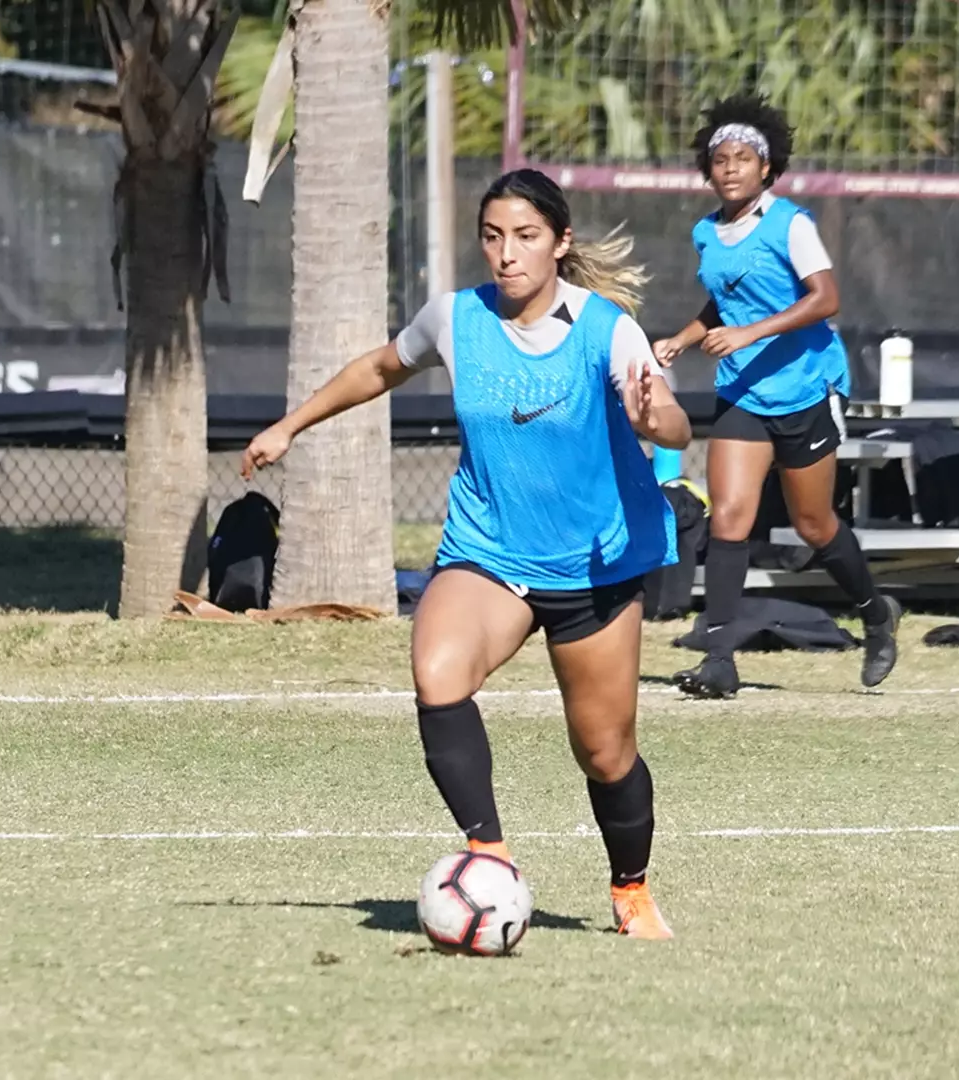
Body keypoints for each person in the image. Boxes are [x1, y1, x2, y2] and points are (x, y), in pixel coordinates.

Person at [241, 169, 690, 941]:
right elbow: (381, 367)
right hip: (490, 550)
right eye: (493, 237)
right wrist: (292, 424)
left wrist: (658, 421)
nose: (506, 254)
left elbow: (675, 423)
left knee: (605, 750)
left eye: (525, 237)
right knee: (437, 671)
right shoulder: (455, 318)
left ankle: (631, 889)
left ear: (560, 242)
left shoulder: (603, 329)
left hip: (596, 565)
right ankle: (490, 857)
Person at [651, 93, 901, 700]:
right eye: (720, 158)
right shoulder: (706, 232)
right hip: (742, 392)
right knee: (730, 518)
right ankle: (718, 657)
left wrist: (749, 334)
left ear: (767, 168)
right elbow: (724, 301)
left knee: (814, 524)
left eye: (744, 157)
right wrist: (684, 338)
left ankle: (874, 614)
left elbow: (825, 299)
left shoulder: (791, 224)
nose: (730, 166)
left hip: (803, 388)